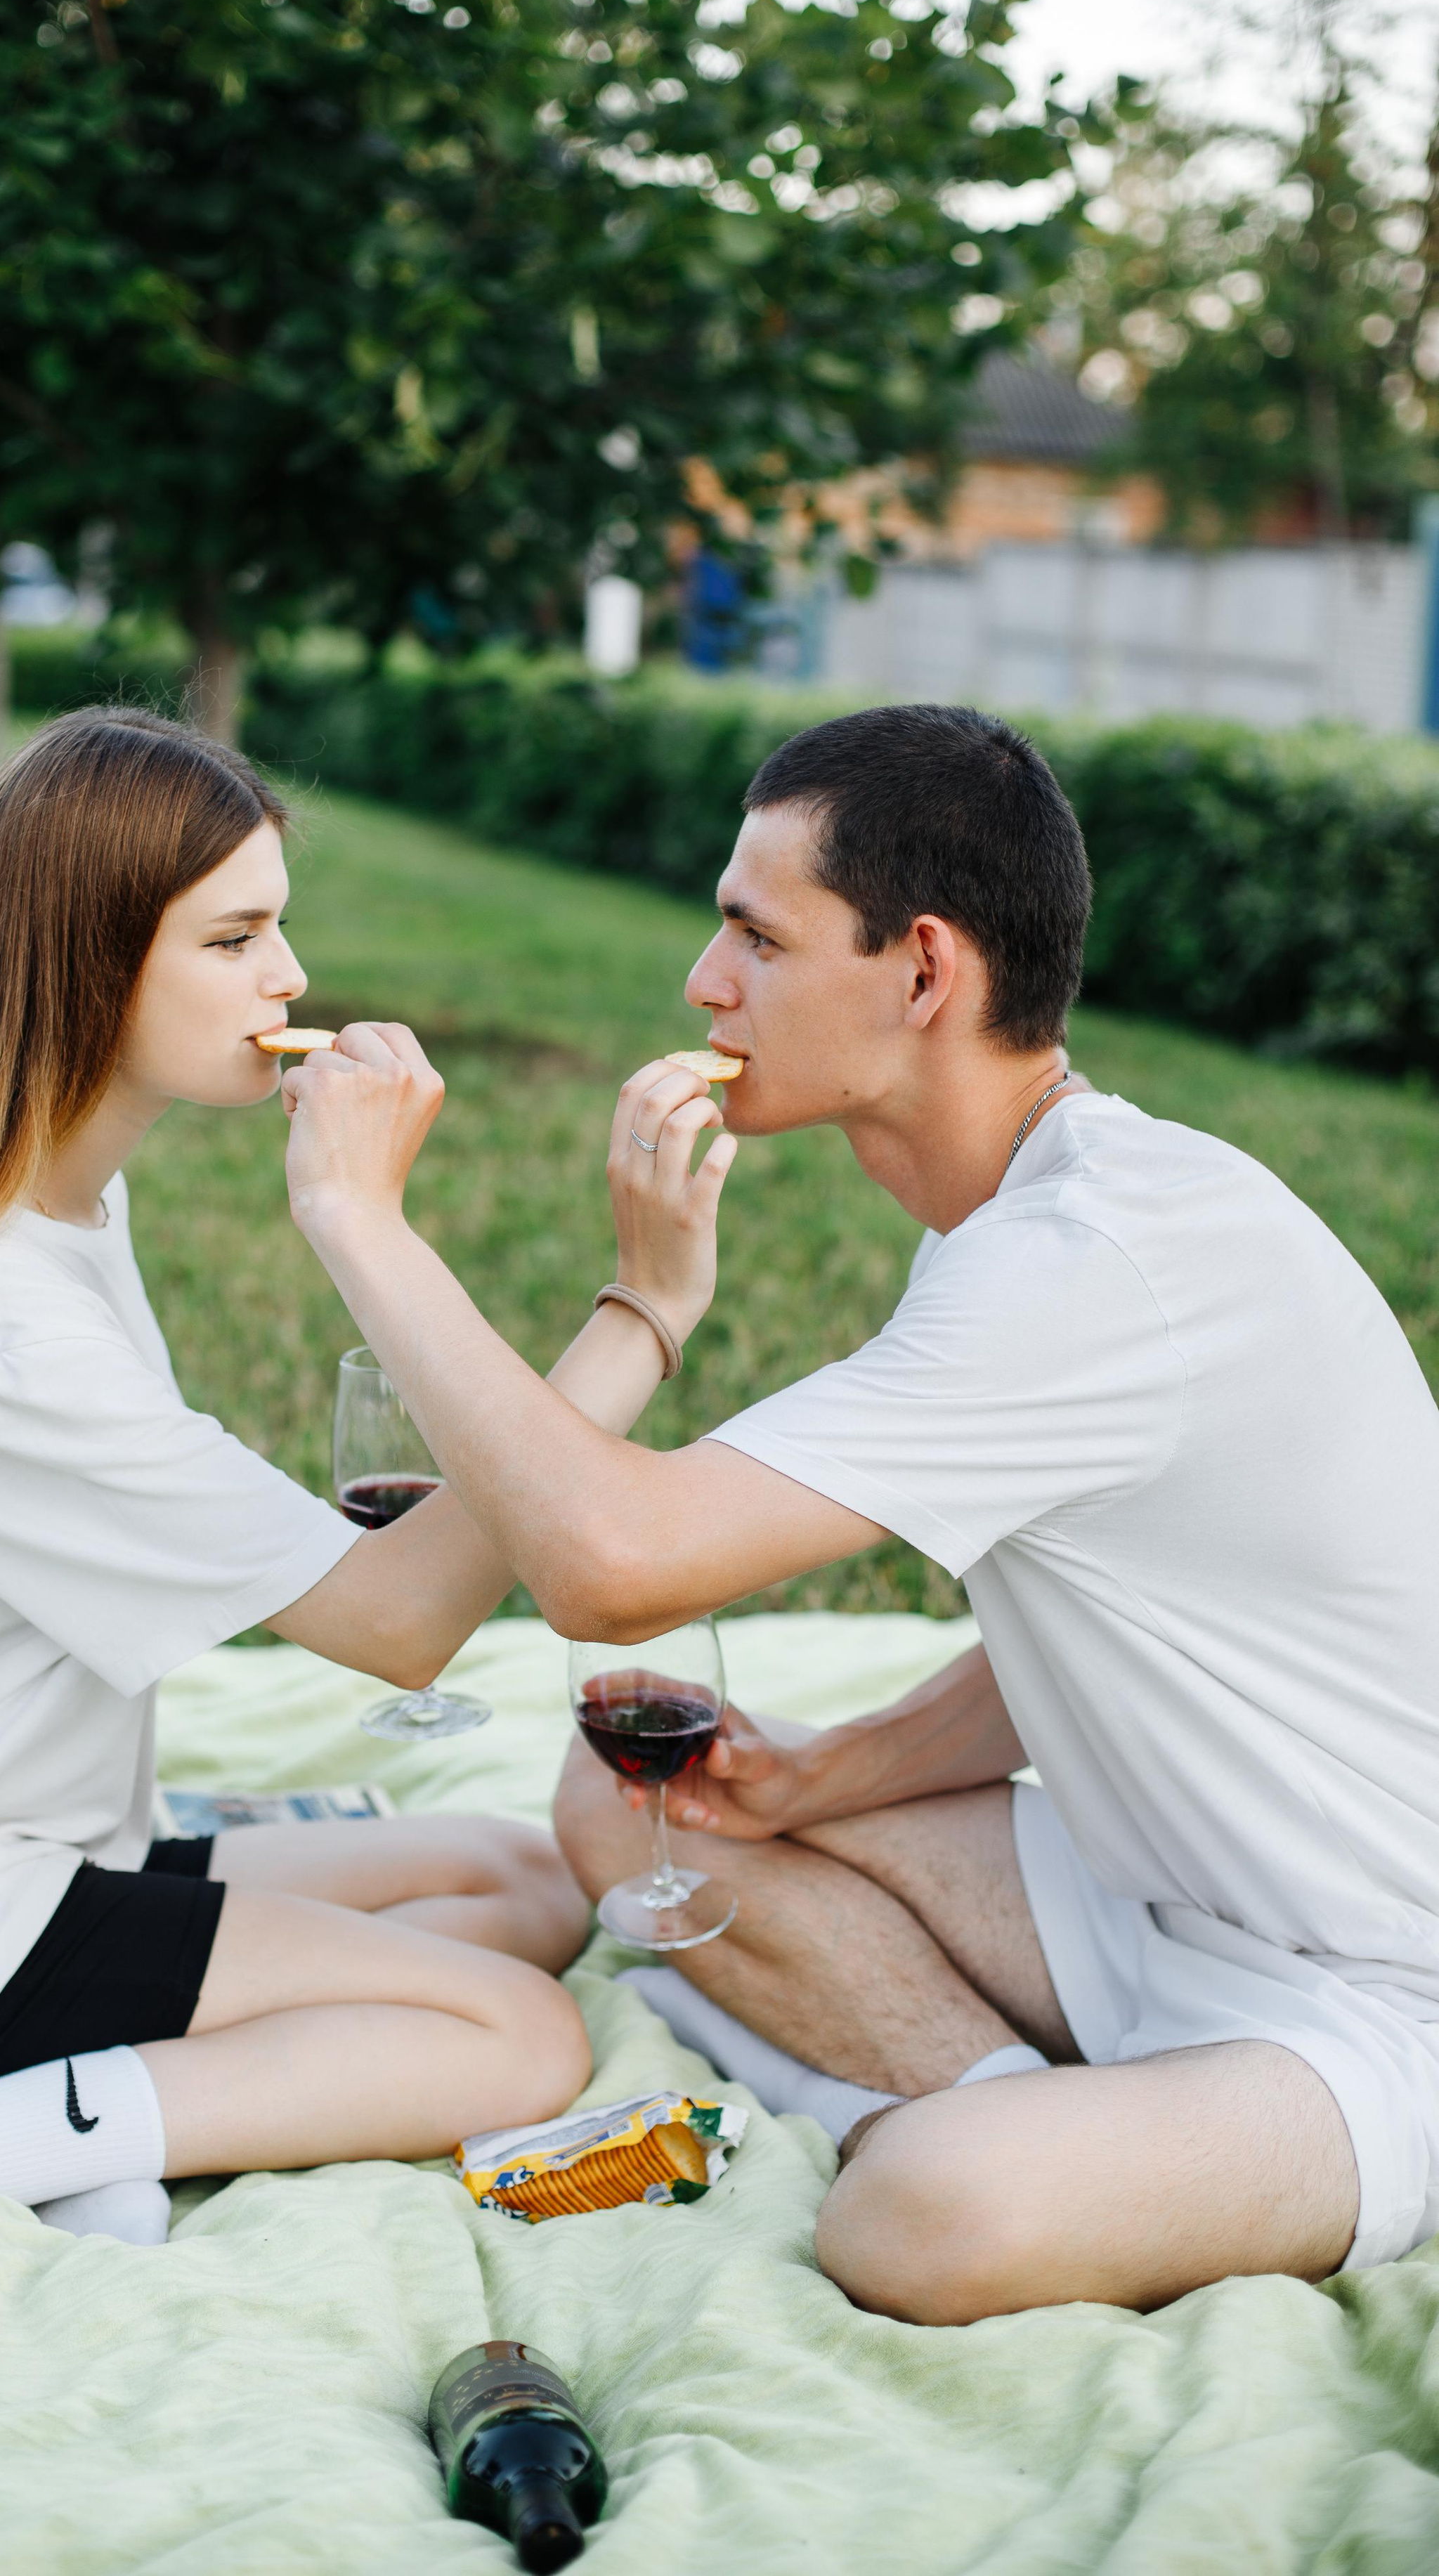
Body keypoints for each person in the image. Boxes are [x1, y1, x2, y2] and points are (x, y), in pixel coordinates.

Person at [276, 701, 1439, 2327]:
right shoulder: (1006, 1226)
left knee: (917, 2224)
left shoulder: (1089, 1268)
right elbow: (1100, 1628)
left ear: (921, 974)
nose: (703, 981)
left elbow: (610, 1564)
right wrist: (827, 1777)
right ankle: (988, 2086)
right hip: (1137, 1900)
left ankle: (970, 2134)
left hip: (1375, 1996)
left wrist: (358, 1218)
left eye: (754, 934)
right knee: (633, 1811)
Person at [0, 705, 724, 2285]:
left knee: (515, 1878)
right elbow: (398, 1621)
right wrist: (615, 1305)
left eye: (277, 927)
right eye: (235, 937)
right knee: (514, 2039)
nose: (289, 980)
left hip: (19, 1854)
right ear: (90, 964)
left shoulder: (52, 1203)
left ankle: (121, 2099)